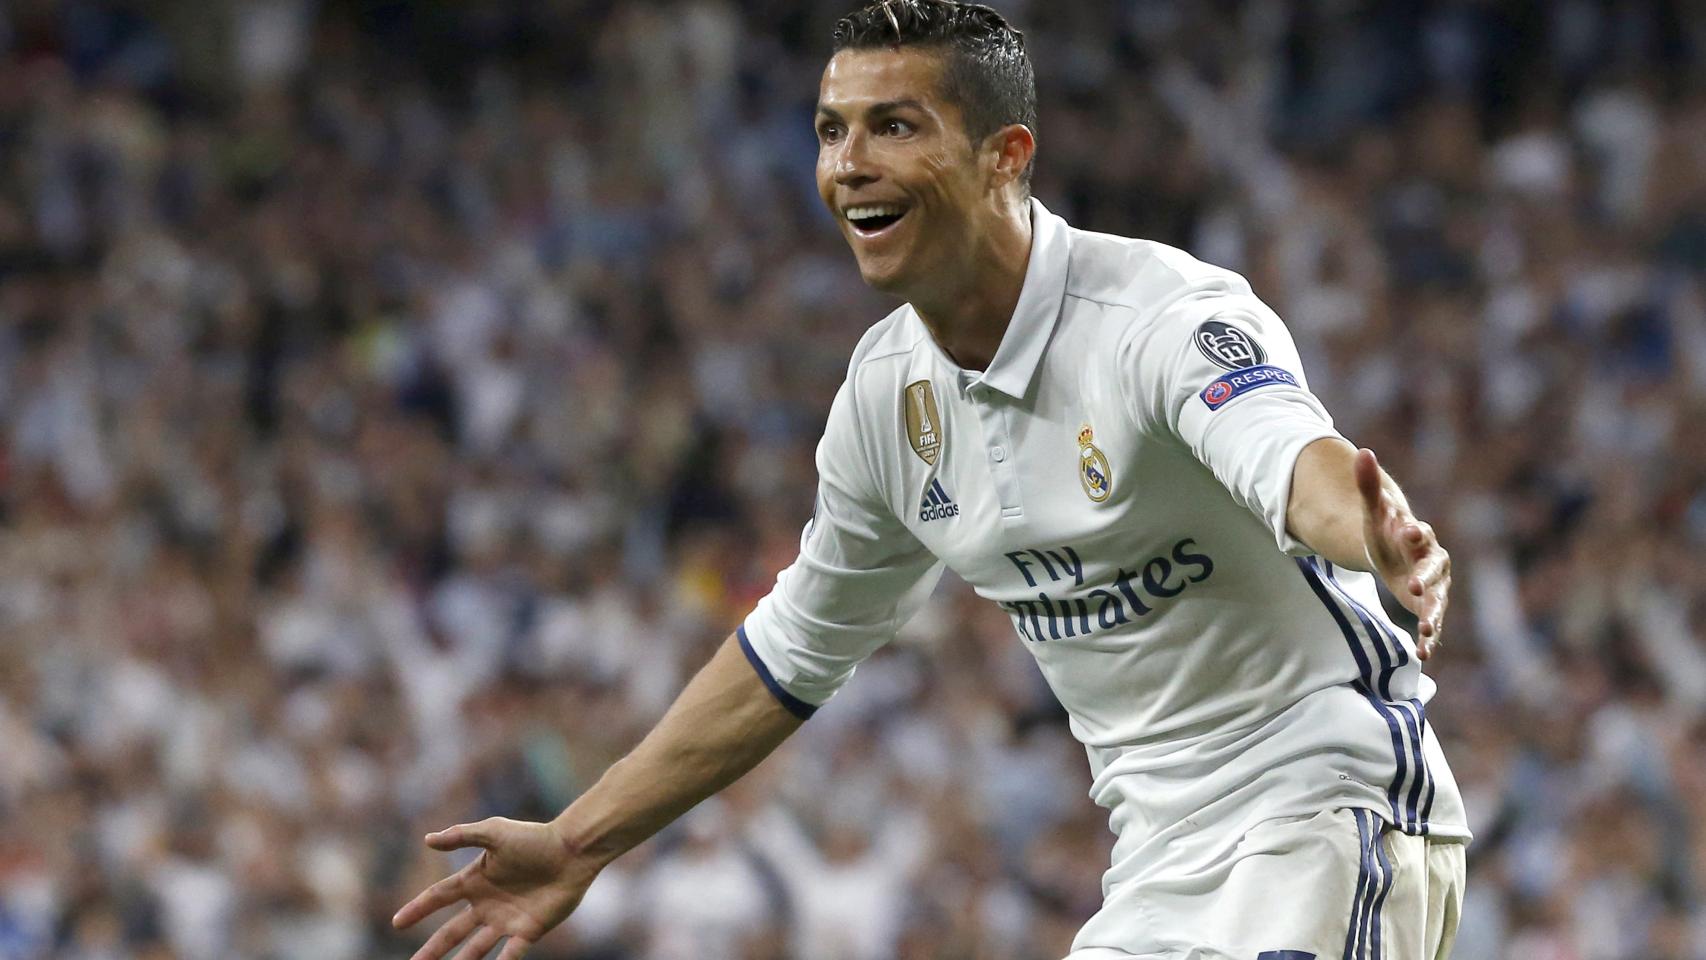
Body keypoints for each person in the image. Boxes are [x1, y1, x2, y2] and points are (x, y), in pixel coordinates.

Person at [391, 2, 1470, 958]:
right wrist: (580, 840)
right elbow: (789, 653)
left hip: (1328, 806)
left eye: (892, 127)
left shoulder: (1156, 317)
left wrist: (1373, 536)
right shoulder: (883, 402)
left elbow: (1284, 457)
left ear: (1004, 155)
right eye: (830, 131)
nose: (847, 163)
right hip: (1155, 861)